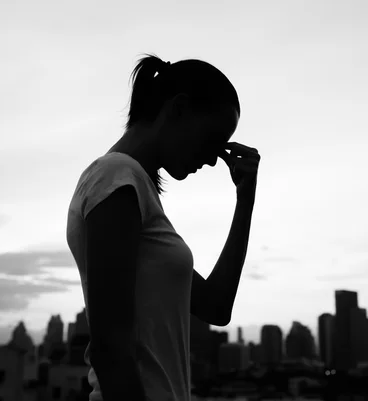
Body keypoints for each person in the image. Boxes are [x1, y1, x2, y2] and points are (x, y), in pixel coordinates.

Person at [66, 53, 260, 401]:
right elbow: (111, 350)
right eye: (213, 139)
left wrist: (244, 200)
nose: (215, 158)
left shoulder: (130, 185)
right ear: (179, 110)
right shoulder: (115, 178)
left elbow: (216, 307)